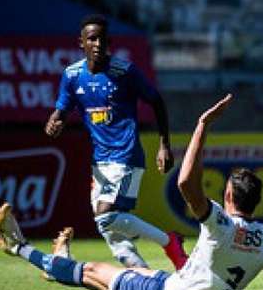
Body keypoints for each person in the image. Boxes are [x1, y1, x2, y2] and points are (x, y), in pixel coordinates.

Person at [0, 93, 263, 290]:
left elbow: (185, 184)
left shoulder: (222, 224)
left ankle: (17, 246)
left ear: (228, 197)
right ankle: (59, 265)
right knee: (137, 269)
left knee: (91, 271)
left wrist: (202, 126)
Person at [45, 14, 187, 270]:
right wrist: (55, 120)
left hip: (127, 156)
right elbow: (63, 109)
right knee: (113, 234)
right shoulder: (72, 75)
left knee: (105, 215)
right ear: (81, 43)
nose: (98, 44)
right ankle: (146, 280)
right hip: (99, 162)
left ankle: (169, 241)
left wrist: (165, 144)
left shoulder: (125, 72)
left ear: (109, 42)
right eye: (92, 39)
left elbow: (156, 101)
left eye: (102, 39)